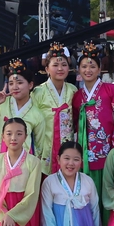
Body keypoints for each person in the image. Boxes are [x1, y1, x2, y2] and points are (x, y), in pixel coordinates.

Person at [72, 43, 114, 226]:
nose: (88, 70)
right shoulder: (77, 96)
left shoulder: (112, 91)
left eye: (92, 66)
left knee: (107, 192)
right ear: (78, 69)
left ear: (100, 68)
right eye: (84, 66)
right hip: (85, 154)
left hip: (106, 152)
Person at [33, 42, 77, 175]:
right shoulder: (38, 92)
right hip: (44, 146)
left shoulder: (73, 90)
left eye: (64, 65)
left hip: (67, 145)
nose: (60, 69)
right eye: (55, 65)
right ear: (46, 69)